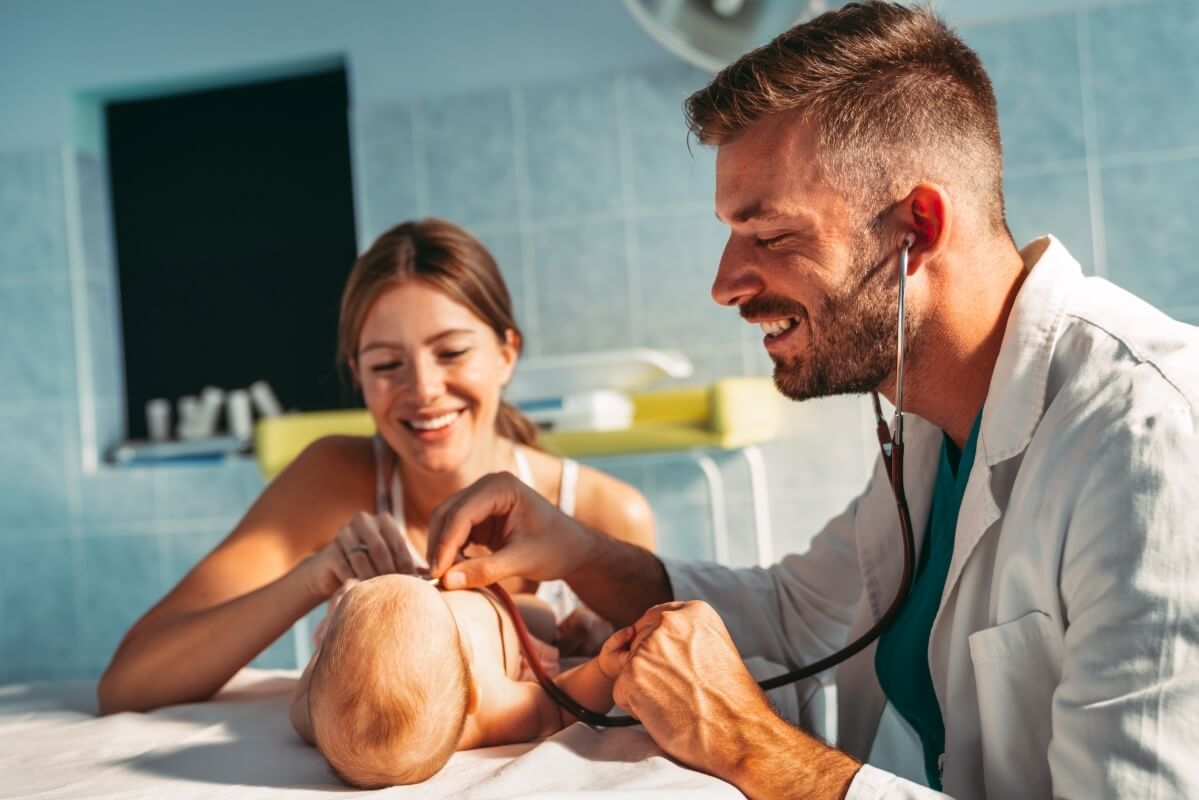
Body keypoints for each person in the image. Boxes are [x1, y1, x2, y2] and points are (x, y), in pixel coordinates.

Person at [422, 3, 1199, 799]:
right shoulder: (933, 428)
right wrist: (577, 551)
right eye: (730, 235)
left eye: (771, 236)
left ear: (916, 229)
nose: (724, 285)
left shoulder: (1150, 447)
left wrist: (749, 747)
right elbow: (795, 614)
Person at [97, 218, 654, 715]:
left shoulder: (604, 512)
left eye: (452, 352)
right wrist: (314, 576)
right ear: (357, 374)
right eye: (387, 364)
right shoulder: (334, 478)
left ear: (506, 353)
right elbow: (129, 683)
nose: (424, 390)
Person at [289, 574, 632, 788]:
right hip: (502, 613)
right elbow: (560, 707)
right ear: (471, 698)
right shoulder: (491, 709)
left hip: (403, 609)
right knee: (546, 620)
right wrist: (604, 671)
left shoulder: (319, 719)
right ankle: (581, 626)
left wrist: (337, 620)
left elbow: (303, 699)